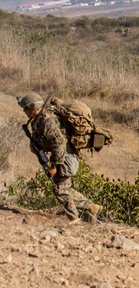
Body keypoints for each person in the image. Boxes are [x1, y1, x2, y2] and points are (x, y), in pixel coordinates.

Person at [18, 93, 101, 223]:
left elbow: (59, 143)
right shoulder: (38, 120)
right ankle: (91, 207)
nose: (24, 111)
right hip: (62, 157)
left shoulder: (47, 121)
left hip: (65, 159)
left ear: (33, 107)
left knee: (60, 190)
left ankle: (74, 219)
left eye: (26, 109)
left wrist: (54, 166)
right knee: (63, 188)